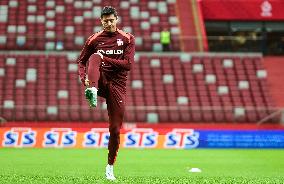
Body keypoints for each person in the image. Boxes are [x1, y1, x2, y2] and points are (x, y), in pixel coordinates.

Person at [77, 6, 135, 181]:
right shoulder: (94, 39)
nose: (109, 23)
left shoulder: (127, 38)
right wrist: (83, 78)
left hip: (118, 86)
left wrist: (104, 58)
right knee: (94, 57)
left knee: (115, 130)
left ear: (116, 19)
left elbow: (128, 65)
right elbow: (81, 61)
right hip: (100, 80)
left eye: (111, 20)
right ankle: (92, 90)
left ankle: (110, 167)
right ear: (101, 21)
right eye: (105, 20)